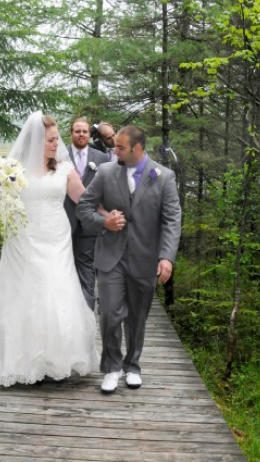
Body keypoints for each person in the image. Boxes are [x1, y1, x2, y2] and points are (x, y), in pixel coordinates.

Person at [0, 112, 99, 387]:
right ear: (37, 140)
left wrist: (108, 217)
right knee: (24, 294)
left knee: (55, 291)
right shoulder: (12, 170)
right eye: (51, 139)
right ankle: (23, 361)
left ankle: (56, 358)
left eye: (56, 138)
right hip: (23, 240)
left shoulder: (64, 168)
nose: (56, 143)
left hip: (56, 239)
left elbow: (84, 201)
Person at [76, 125, 182, 393]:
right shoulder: (106, 172)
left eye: (120, 147)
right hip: (111, 257)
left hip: (145, 259)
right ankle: (111, 367)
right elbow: (84, 206)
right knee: (110, 313)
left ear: (137, 148)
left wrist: (166, 257)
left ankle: (132, 366)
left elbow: (172, 219)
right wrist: (104, 222)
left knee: (137, 317)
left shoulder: (164, 177)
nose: (114, 150)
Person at [64, 118, 111, 310]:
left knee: (87, 267)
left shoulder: (101, 158)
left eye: (84, 131)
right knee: (63, 266)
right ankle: (65, 308)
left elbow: (106, 189)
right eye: (77, 131)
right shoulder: (61, 156)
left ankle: (86, 310)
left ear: (90, 135)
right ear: (71, 133)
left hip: (90, 223)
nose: (81, 134)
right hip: (64, 221)